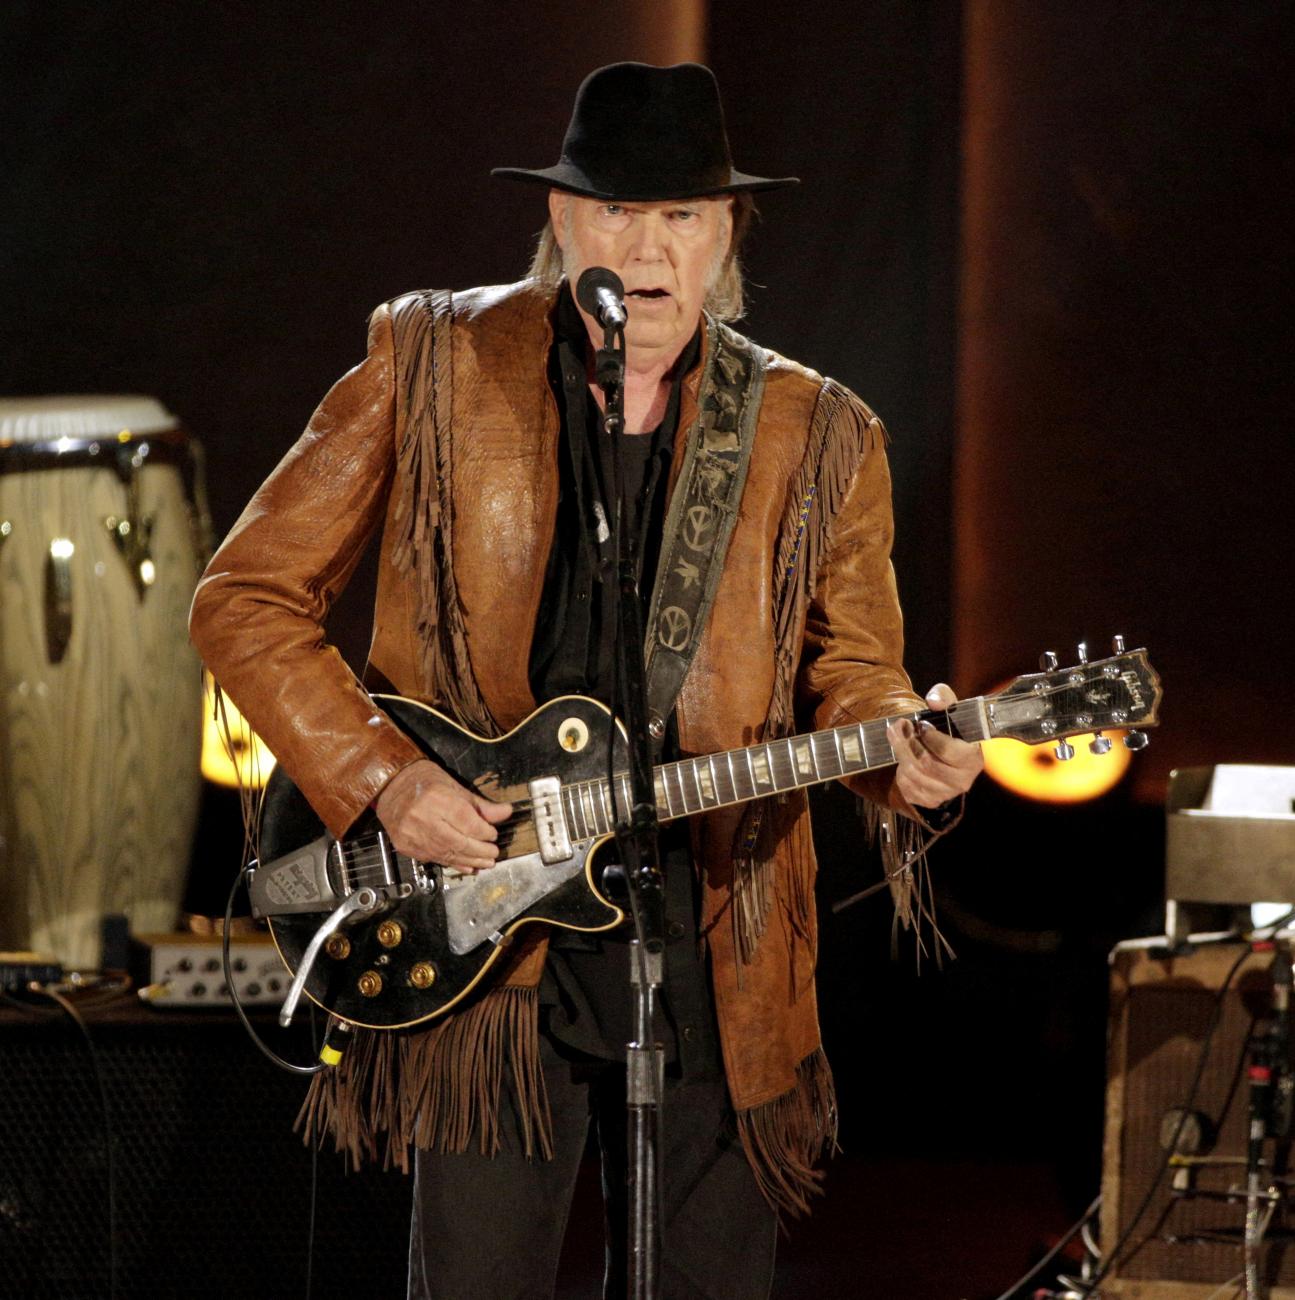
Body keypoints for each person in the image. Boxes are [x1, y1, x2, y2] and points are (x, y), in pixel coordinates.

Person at [190, 61, 983, 1300]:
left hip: (716, 937)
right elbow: (243, 598)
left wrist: (911, 748)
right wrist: (387, 783)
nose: (650, 246)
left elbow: (859, 678)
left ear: (726, 233)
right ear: (561, 221)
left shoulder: (819, 433)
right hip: (484, 937)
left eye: (682, 215)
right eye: (617, 210)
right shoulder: (432, 363)